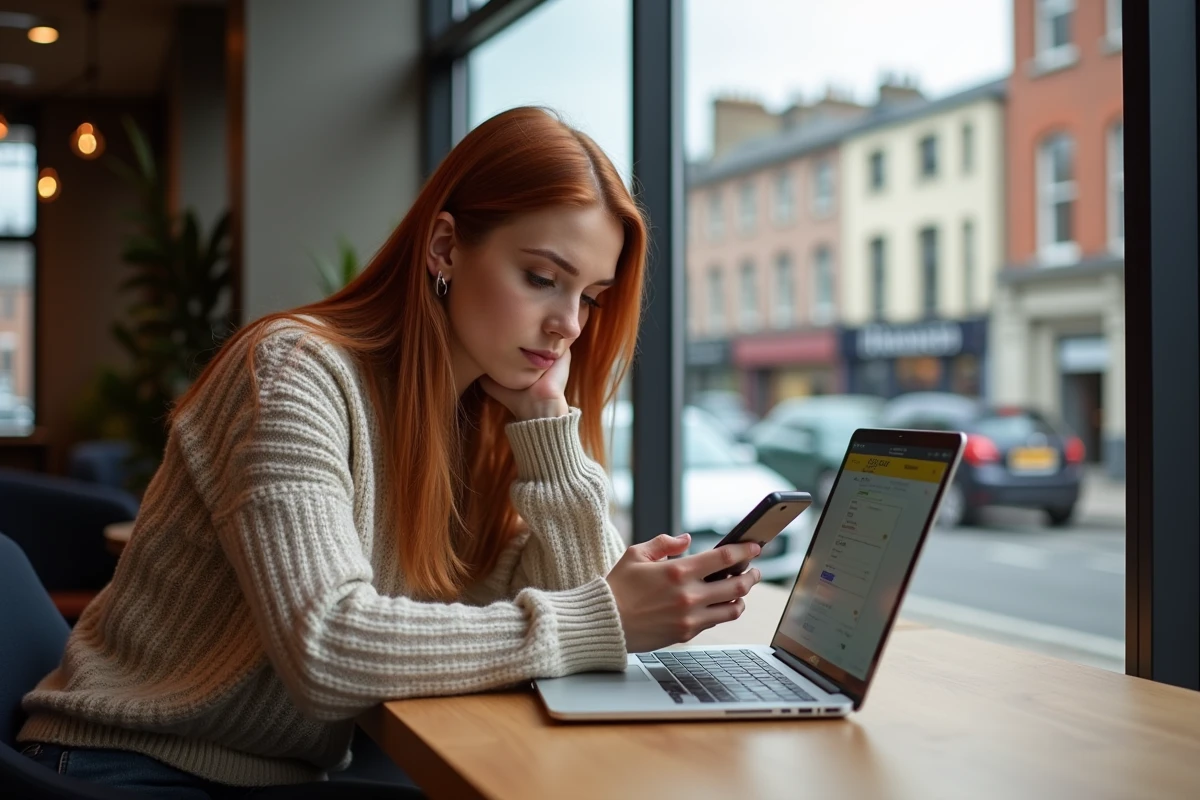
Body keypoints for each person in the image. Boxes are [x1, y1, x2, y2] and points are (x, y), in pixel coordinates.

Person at [17, 107, 762, 798]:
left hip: (271, 777)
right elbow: (326, 648)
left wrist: (547, 429)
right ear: (445, 247)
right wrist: (601, 618)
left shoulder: (486, 422)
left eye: (590, 297)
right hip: (127, 767)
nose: (569, 323)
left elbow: (581, 638)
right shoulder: (290, 373)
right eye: (542, 278)